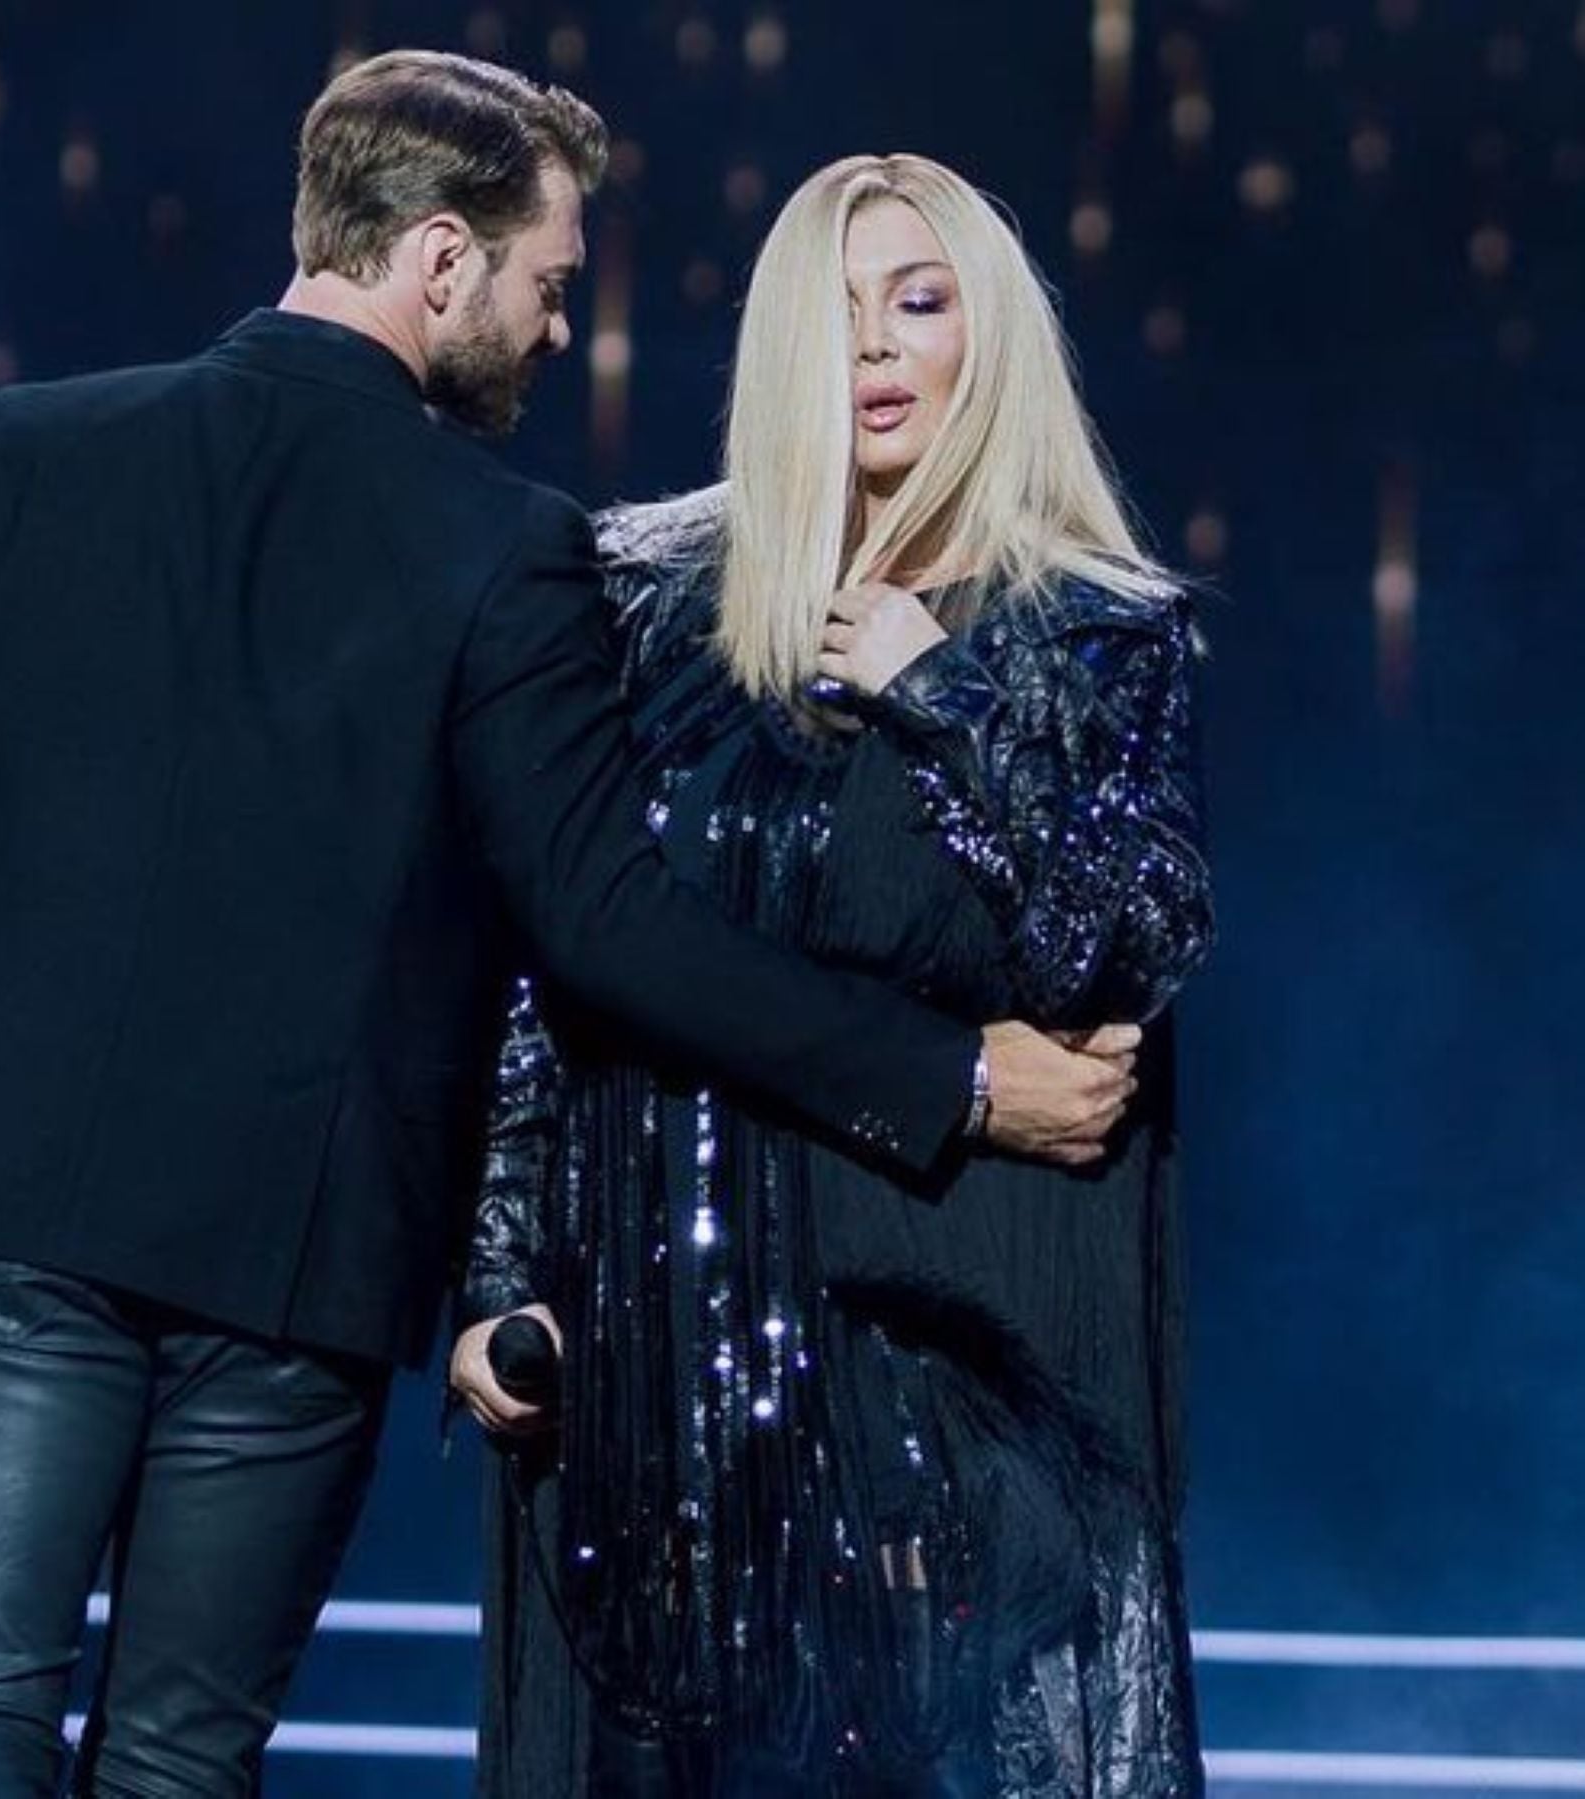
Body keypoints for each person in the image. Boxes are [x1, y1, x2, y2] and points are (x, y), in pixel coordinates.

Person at [0, 57, 1125, 1798]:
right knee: (178, 1762)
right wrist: (952, 1077)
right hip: (295, 1272)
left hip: (6, 1214)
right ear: (437, 259)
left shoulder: (30, 450)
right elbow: (609, 923)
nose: (557, 329)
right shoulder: (505, 548)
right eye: (546, 282)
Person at [451, 153, 1215, 1796]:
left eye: (917, 303)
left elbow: (1121, 947)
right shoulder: (643, 598)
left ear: (988, 336)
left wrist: (948, 697)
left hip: (946, 1377)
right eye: (836, 309)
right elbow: (547, 953)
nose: (873, 344)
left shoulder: (1088, 630)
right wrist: (497, 1270)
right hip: (657, 1363)